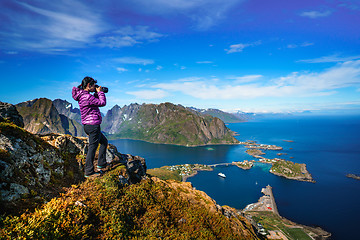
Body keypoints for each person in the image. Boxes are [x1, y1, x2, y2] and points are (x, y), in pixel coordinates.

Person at [72, 76, 108, 178]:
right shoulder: (87, 97)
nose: (94, 88)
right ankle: (89, 171)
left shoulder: (83, 96)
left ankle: (101, 163)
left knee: (104, 142)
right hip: (93, 125)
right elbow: (102, 103)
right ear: (88, 85)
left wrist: (96, 93)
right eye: (93, 86)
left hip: (88, 125)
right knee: (92, 148)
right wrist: (100, 92)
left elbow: (94, 102)